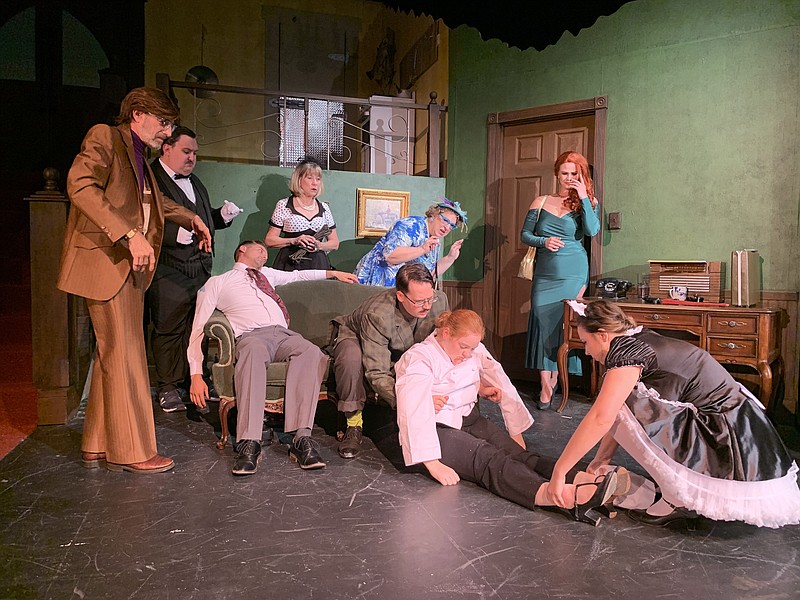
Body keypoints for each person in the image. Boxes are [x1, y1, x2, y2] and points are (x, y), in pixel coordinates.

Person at [57, 87, 212, 474]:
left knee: (112, 354)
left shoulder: (140, 156)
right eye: (164, 123)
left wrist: (189, 217)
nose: (167, 131)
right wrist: (128, 234)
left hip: (128, 269)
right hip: (107, 262)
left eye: (171, 124)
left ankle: (96, 442)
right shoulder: (105, 136)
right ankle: (131, 452)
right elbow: (80, 185)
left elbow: (152, 201)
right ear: (138, 114)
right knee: (126, 356)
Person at [547, 299, 800, 528]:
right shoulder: (636, 337)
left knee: (615, 404)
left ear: (602, 336)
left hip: (725, 434)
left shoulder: (626, 351)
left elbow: (603, 416)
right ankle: (670, 489)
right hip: (736, 423)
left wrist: (560, 471)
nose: (588, 351)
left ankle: (676, 497)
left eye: (587, 342)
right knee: (619, 401)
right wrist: (601, 460)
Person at [395, 309, 630, 524]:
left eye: (472, 348)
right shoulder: (420, 357)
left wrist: (501, 412)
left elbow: (496, 377)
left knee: (520, 455)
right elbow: (411, 407)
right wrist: (432, 463)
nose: (468, 354)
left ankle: (583, 480)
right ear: (445, 333)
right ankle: (554, 495)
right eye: (463, 347)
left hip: (468, 417)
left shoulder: (472, 348)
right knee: (489, 459)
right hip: (437, 428)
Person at [187, 240, 358, 476]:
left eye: (267, 251)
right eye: (260, 249)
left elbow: (299, 276)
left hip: (284, 334)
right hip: (251, 336)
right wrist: (196, 374)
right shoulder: (218, 282)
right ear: (242, 250)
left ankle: (301, 439)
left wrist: (333, 273)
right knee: (252, 353)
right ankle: (249, 441)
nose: (265, 254)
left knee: (311, 352)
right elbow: (198, 328)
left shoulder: (266, 275)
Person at [148, 126, 243, 412]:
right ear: (167, 148)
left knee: (197, 327)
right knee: (168, 326)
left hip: (199, 269)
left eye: (195, 153)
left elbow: (202, 219)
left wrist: (221, 217)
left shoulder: (195, 181)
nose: (191, 158)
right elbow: (142, 220)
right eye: (186, 152)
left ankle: (195, 379)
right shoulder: (152, 179)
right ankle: (168, 386)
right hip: (168, 267)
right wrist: (172, 236)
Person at [329, 263, 449, 459]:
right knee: (351, 360)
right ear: (401, 296)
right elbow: (377, 372)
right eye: (420, 301)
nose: (427, 306)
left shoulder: (439, 301)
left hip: (396, 343)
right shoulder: (378, 315)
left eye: (430, 298)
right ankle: (353, 424)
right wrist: (411, 403)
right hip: (355, 336)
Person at [520, 151, 600, 410]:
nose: (568, 178)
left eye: (574, 174)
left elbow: (592, 230)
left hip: (573, 270)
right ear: (557, 174)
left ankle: (557, 379)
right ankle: (546, 384)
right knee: (543, 324)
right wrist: (544, 241)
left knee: (563, 326)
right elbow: (525, 234)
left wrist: (585, 197)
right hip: (545, 274)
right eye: (564, 173)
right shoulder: (541, 201)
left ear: (581, 176)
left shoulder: (587, 203)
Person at [354, 197, 467, 287]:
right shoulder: (410, 225)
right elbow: (390, 255)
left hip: (402, 289)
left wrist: (450, 258)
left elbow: (428, 274)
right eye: (445, 220)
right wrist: (422, 249)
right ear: (433, 215)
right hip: (377, 282)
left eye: (452, 226)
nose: (447, 227)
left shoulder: (433, 239)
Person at [264, 158, 339, 271]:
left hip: (317, 264)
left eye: (318, 179)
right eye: (309, 178)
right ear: (299, 180)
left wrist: (319, 246)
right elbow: (269, 240)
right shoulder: (284, 205)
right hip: (290, 263)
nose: (315, 183)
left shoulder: (324, 208)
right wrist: (294, 240)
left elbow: (335, 243)